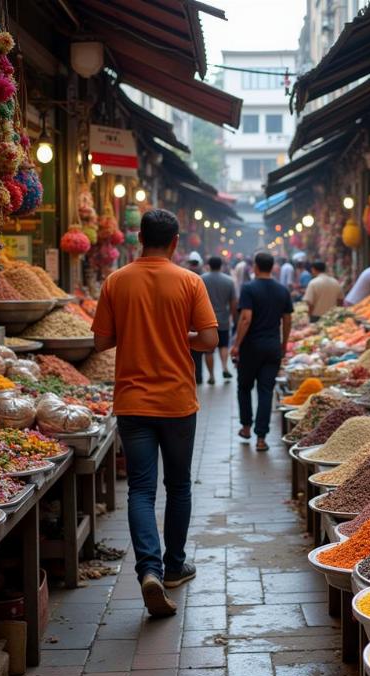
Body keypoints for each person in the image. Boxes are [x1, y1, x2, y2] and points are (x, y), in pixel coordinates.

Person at [91, 209, 218, 617]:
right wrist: (177, 334)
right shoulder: (189, 281)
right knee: (178, 486)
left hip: (132, 401)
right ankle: (175, 565)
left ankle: (150, 570)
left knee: (141, 490)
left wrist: (135, 330)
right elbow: (211, 340)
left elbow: (101, 342)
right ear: (176, 242)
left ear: (139, 237)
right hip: (177, 402)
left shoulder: (116, 280)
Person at [231, 251, 293, 452]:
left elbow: (246, 318)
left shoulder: (249, 288)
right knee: (266, 391)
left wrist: (237, 344)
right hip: (272, 347)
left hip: (251, 348)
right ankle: (261, 438)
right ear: (272, 266)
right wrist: (283, 345)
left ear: (256, 267)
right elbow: (287, 319)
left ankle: (246, 427)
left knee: (244, 387)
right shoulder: (282, 290)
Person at [201, 255, 237, 384]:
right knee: (223, 345)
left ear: (208, 265)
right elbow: (233, 302)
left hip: (205, 320)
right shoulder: (229, 281)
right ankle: (224, 367)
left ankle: (211, 376)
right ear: (221, 265)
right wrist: (234, 318)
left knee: (209, 350)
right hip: (223, 319)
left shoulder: (201, 280)